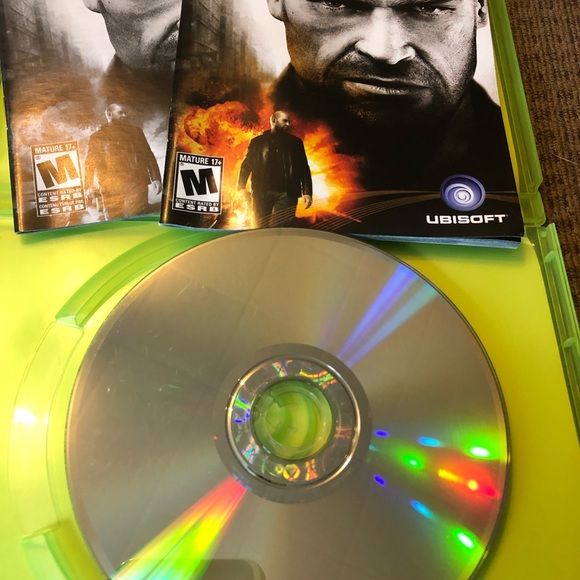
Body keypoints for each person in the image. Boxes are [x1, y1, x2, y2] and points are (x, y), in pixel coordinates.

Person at [267, 0, 516, 192]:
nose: (385, 51)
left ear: (481, 7)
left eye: (429, 8)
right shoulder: (242, 136)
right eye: (336, 3)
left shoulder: (515, 159)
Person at [84, 103, 163, 220]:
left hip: (136, 182)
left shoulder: (136, 132)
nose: (124, 115)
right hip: (110, 184)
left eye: (125, 112)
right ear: (109, 114)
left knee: (137, 217)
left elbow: (147, 155)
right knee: (113, 220)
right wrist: (88, 185)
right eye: (120, 112)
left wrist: (156, 178)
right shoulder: (97, 137)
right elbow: (90, 162)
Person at [237, 111, 313, 227]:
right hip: (261, 192)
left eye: (289, 122)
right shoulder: (257, 142)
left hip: (287, 193)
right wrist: (241, 187)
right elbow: (246, 165)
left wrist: (307, 192)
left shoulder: (296, 143)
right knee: (260, 227)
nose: (288, 124)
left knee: (282, 228)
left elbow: (303, 167)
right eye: (285, 121)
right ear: (274, 121)